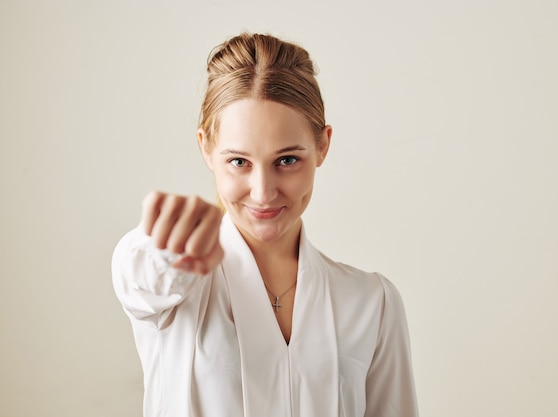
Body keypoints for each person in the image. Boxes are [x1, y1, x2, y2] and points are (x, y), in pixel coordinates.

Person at [111, 32, 419, 417]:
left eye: (287, 160)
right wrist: (168, 244)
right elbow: (140, 271)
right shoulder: (176, 288)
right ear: (206, 148)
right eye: (239, 162)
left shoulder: (372, 302)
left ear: (322, 146)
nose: (263, 193)